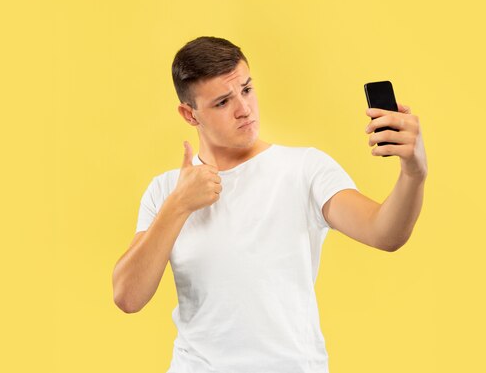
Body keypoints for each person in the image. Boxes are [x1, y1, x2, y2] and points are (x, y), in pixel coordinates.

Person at [112, 36, 428, 372]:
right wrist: (178, 206)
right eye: (222, 102)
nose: (243, 109)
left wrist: (414, 172)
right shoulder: (165, 192)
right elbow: (128, 296)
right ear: (190, 115)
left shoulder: (304, 169)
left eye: (246, 90)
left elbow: (385, 233)